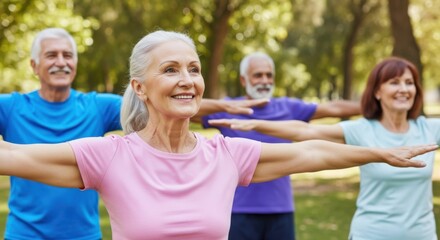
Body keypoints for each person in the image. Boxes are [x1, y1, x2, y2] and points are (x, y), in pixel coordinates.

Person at [0, 30, 435, 240]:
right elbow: (12, 157)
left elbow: (311, 153)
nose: (187, 79)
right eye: (170, 70)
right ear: (139, 87)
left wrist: (378, 153)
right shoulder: (108, 156)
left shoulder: (226, 155)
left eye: (193, 68)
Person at [208, 56, 439, 240]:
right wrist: (252, 120)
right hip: (371, 233)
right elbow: (305, 133)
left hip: (423, 235)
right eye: (394, 82)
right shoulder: (362, 130)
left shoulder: (431, 128)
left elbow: (328, 110)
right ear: (377, 91)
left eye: (409, 83)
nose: (404, 89)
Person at [192, 51, 361, 240]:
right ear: (243, 80)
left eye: (269, 75)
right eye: (258, 75)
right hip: (238, 210)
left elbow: (333, 108)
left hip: (281, 210)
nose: (265, 80)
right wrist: (223, 106)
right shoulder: (230, 109)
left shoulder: (287, 108)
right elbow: (189, 109)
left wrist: (377, 106)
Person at [0, 27, 122, 240]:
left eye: (67, 56)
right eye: (51, 55)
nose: (61, 62)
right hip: (24, 235)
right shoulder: (11, 107)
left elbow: (159, 108)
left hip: (84, 235)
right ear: (34, 66)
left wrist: (201, 114)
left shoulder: (97, 107)